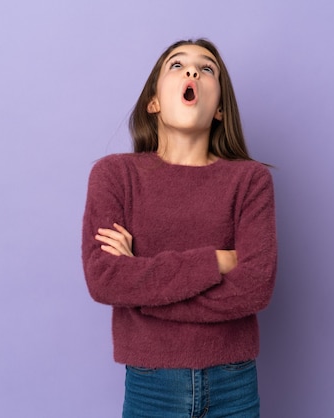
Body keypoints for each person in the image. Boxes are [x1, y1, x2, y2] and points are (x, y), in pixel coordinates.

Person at [82, 38, 277, 418]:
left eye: (207, 69)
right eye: (177, 65)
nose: (192, 72)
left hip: (234, 385)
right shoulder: (114, 175)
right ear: (152, 102)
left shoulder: (250, 180)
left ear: (220, 108)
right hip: (152, 386)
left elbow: (256, 288)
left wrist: (141, 292)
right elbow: (104, 279)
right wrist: (217, 262)